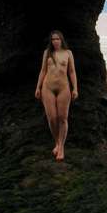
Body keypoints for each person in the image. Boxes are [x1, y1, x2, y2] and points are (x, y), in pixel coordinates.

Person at [35, 31, 78, 161]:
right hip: (47, 87)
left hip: (63, 88)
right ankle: (57, 142)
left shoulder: (68, 53)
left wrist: (75, 88)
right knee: (52, 118)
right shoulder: (47, 53)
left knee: (62, 118)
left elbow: (72, 72)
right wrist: (38, 87)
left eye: (57, 39)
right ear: (51, 41)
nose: (55, 41)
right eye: (53, 39)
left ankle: (61, 147)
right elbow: (43, 70)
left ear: (61, 40)